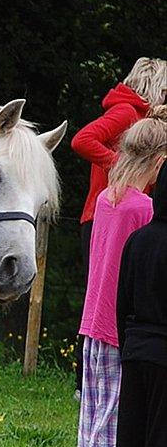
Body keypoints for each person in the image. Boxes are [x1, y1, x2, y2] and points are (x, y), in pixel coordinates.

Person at [73, 110, 167, 447]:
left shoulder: (106, 199)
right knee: (116, 428)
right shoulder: (143, 208)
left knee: (92, 423)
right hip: (120, 328)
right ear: (159, 161)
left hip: (92, 323)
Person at [71, 58, 167, 395]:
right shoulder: (127, 114)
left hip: (111, 210)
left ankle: (88, 382)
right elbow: (83, 140)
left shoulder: (135, 116)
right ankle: (89, 381)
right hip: (112, 214)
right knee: (112, 294)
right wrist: (126, 167)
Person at [104, 117, 167, 447]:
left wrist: (129, 346)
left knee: (129, 435)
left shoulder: (140, 240)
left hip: (137, 349)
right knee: (159, 442)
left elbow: (122, 303)